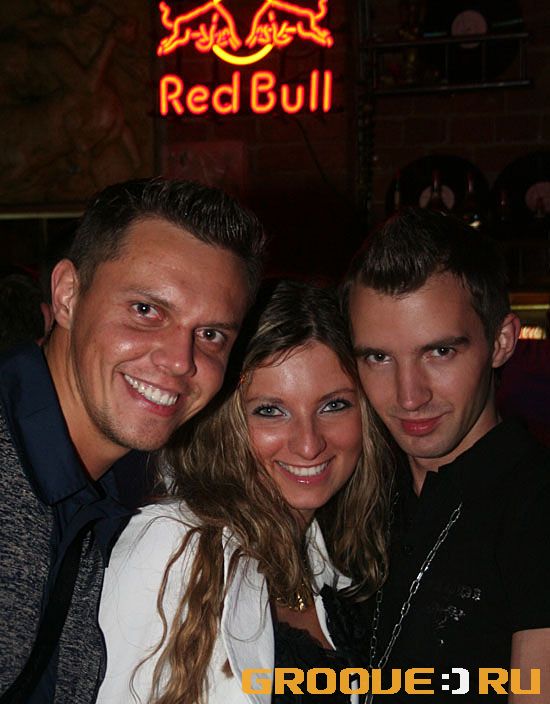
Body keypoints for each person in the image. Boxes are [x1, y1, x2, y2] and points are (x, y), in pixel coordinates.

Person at [0, 177, 264, 703]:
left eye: (211, 334)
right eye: (146, 310)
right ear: (67, 296)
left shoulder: (127, 482)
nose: (180, 361)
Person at [97, 280, 389, 704]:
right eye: (270, 411)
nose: (309, 444)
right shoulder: (170, 545)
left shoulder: (333, 560)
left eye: (334, 405)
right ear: (226, 421)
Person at [342, 207, 550, 702]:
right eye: (378, 357)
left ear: (501, 341)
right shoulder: (355, 490)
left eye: (439, 352)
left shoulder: (536, 506)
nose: (409, 395)